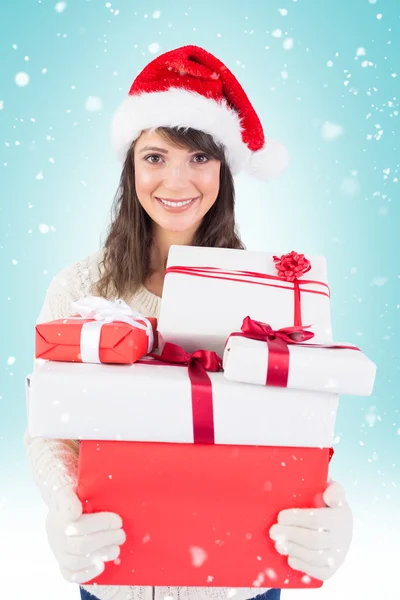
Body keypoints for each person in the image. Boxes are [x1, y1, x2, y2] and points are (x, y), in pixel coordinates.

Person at [24, 45, 353, 600]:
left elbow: (302, 427)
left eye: (199, 157)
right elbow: (51, 427)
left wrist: (332, 507)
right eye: (155, 156)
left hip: (241, 578)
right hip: (117, 570)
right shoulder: (80, 289)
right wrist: (63, 508)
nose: (177, 181)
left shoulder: (270, 295)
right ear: (130, 167)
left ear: (224, 168)